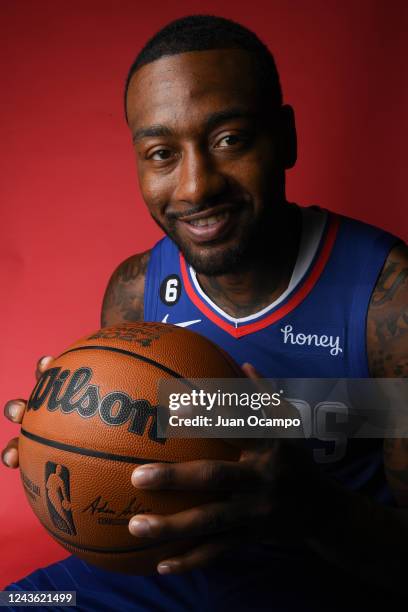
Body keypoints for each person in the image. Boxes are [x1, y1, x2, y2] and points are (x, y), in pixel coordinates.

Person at [2, 14, 408, 612]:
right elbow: (143, 457)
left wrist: (306, 504)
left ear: (286, 137)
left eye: (230, 140)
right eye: (162, 152)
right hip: (160, 576)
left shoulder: (387, 298)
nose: (196, 186)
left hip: (319, 585)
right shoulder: (136, 290)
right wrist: (62, 436)